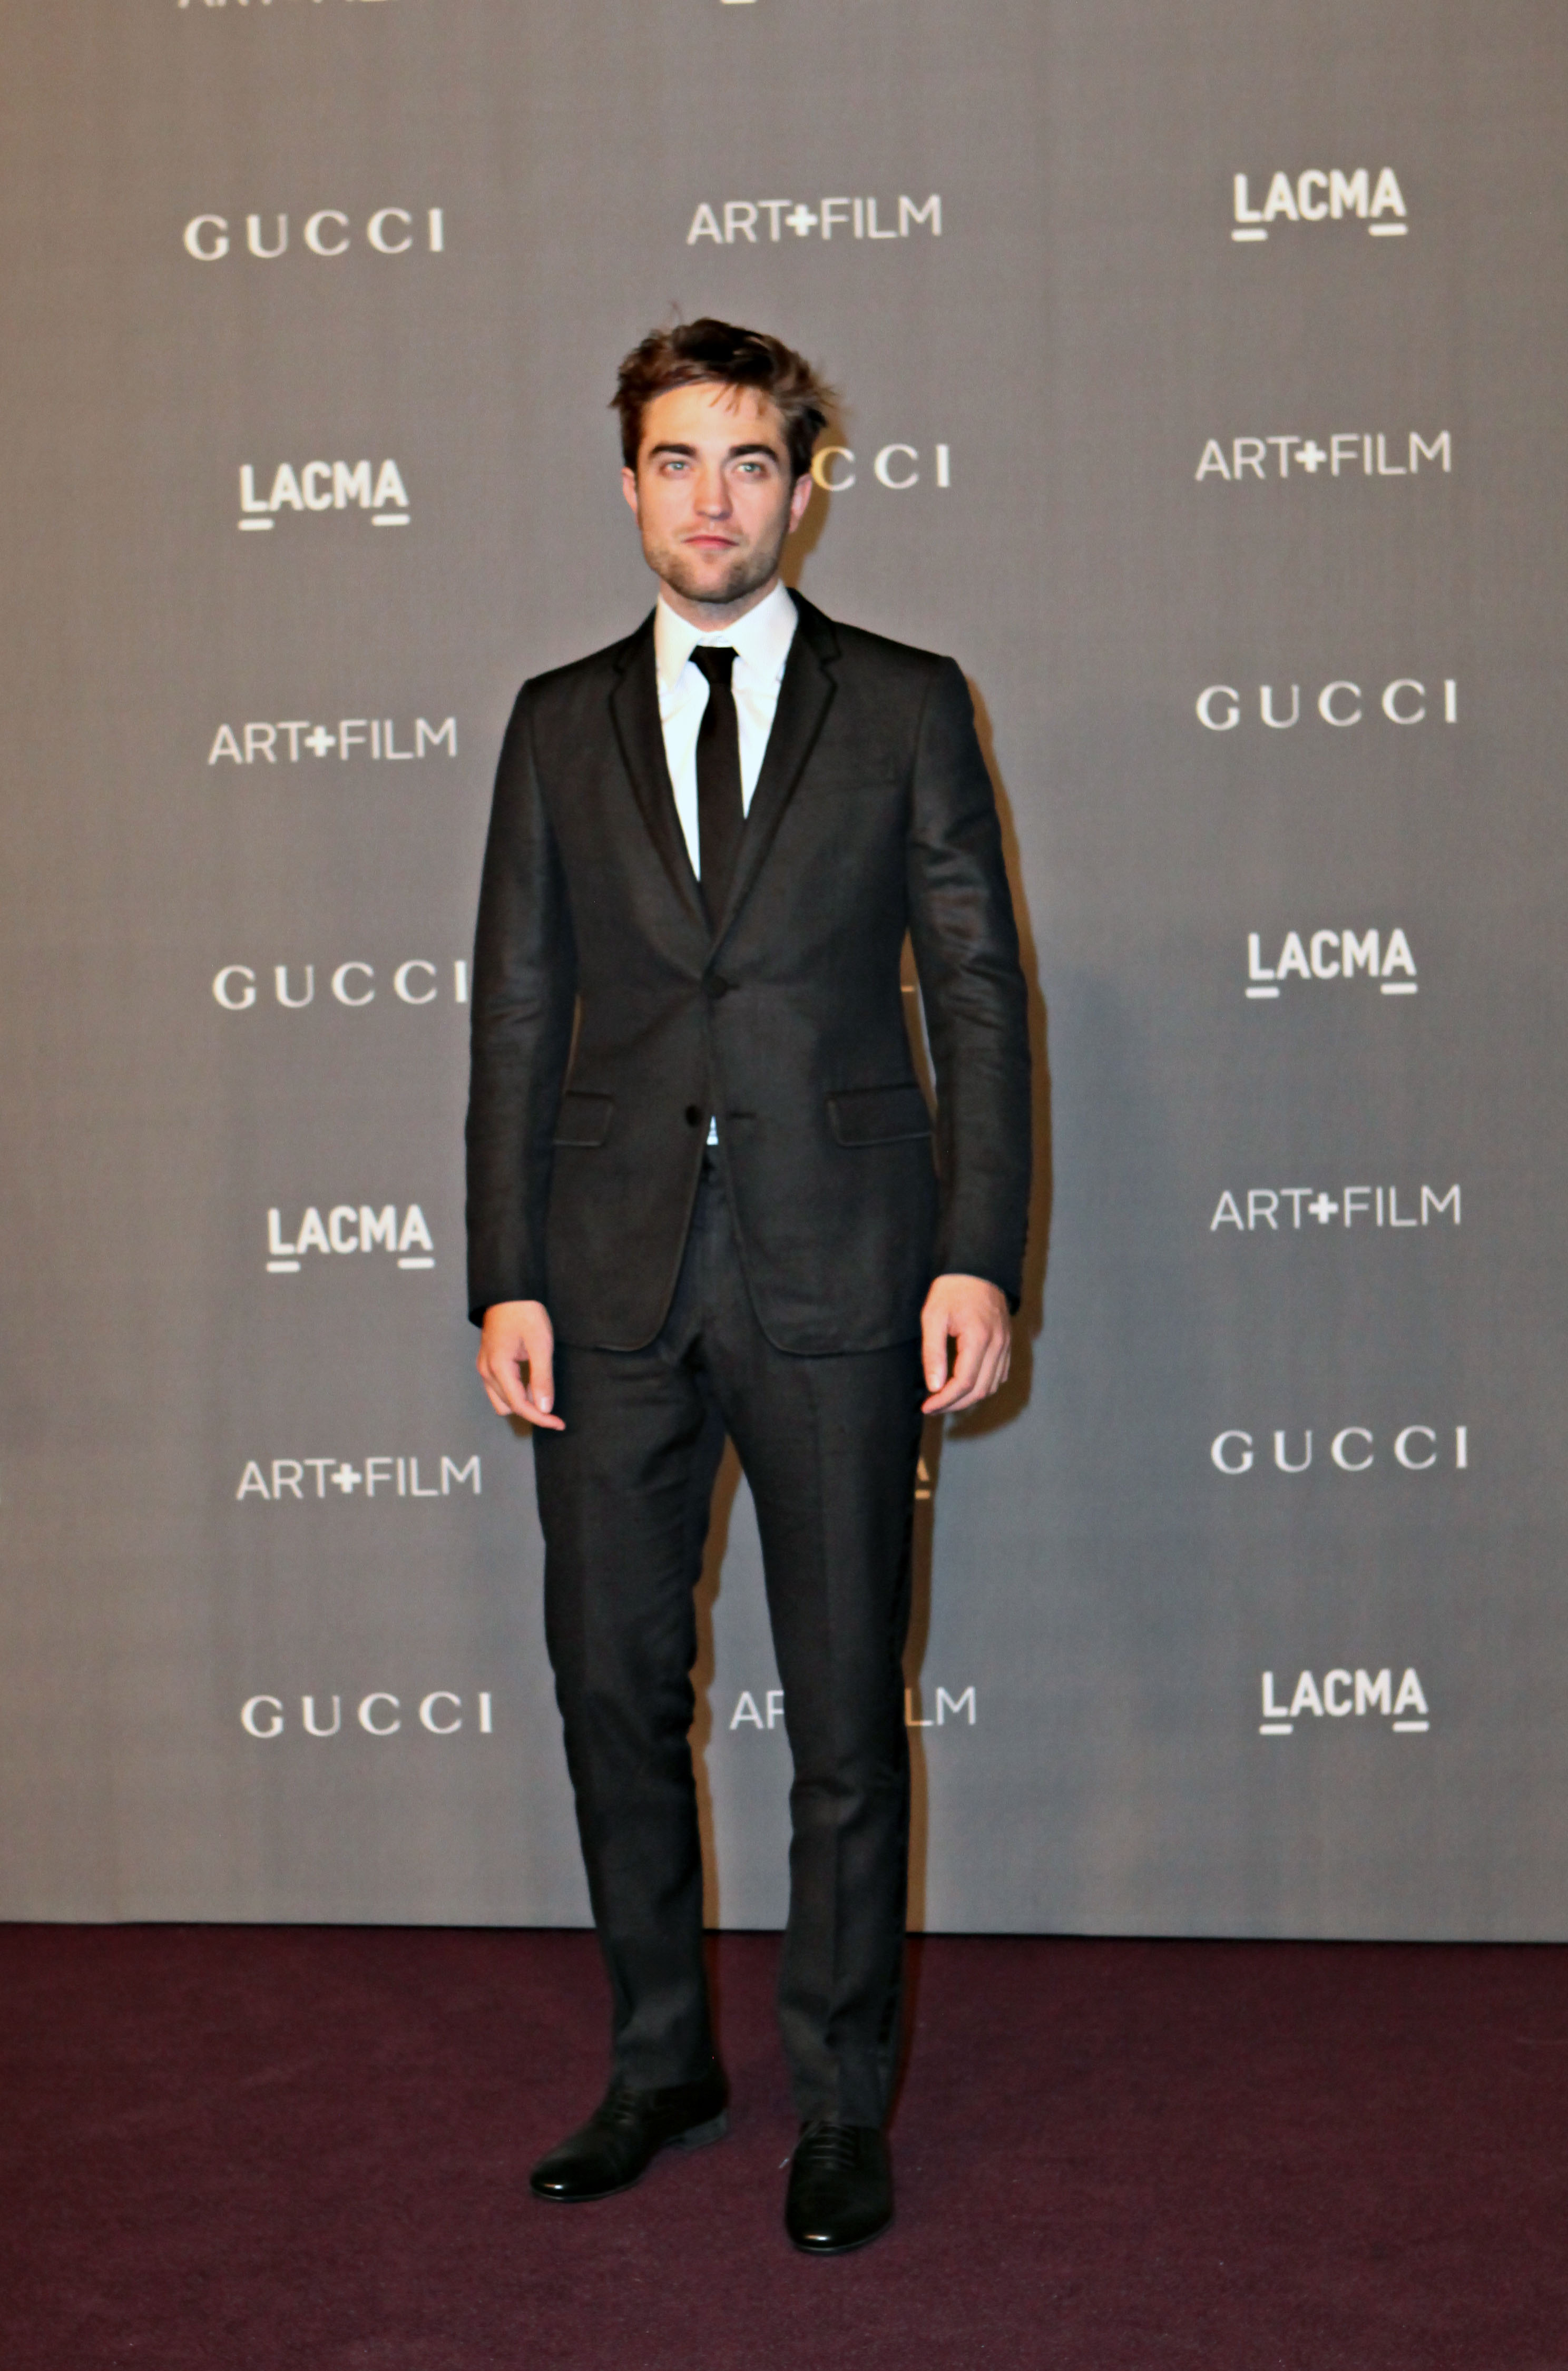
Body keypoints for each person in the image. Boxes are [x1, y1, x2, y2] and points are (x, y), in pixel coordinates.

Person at [466, 318, 1031, 2254]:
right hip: (607, 1282)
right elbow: (517, 1008)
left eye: (751, 462)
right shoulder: (555, 722)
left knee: (847, 1716)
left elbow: (978, 993)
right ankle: (661, 2064)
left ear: (804, 485)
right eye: (677, 461)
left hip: (847, 1269)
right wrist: (506, 1271)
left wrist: (976, 1249)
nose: (714, 500)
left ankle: (844, 2100)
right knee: (612, 1688)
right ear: (630, 483)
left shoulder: (909, 704)